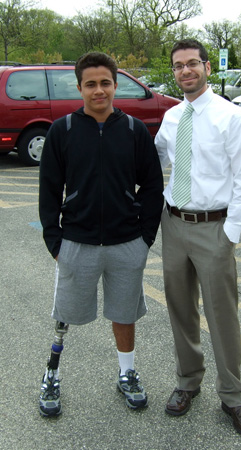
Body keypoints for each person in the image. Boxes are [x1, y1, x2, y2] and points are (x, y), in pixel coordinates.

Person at [38, 52, 164, 417]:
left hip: (127, 243)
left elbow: (153, 186)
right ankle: (51, 375)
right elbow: (49, 190)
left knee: (124, 313)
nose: (98, 90)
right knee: (66, 312)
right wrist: (55, 242)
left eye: (105, 83)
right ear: (79, 87)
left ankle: (127, 373)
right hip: (77, 243)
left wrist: (145, 238)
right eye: (90, 84)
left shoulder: (133, 130)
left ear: (115, 85)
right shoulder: (62, 131)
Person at [155, 39, 241, 438]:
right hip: (174, 223)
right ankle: (188, 382)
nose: (186, 71)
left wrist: (230, 233)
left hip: (214, 228)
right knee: (181, 309)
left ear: (207, 67)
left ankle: (234, 396)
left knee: (221, 315)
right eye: (179, 65)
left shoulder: (231, 117)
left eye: (192, 64)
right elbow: (159, 158)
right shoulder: (171, 117)